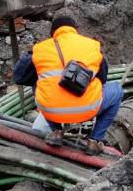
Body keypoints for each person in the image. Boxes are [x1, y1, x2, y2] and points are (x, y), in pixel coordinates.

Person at [12, 15, 124, 155]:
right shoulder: (91, 45)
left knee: (38, 82)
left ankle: (56, 131)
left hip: (51, 112)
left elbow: (19, 76)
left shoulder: (41, 48)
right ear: (75, 30)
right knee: (117, 90)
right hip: (88, 108)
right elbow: (103, 78)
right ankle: (95, 141)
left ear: (52, 33)